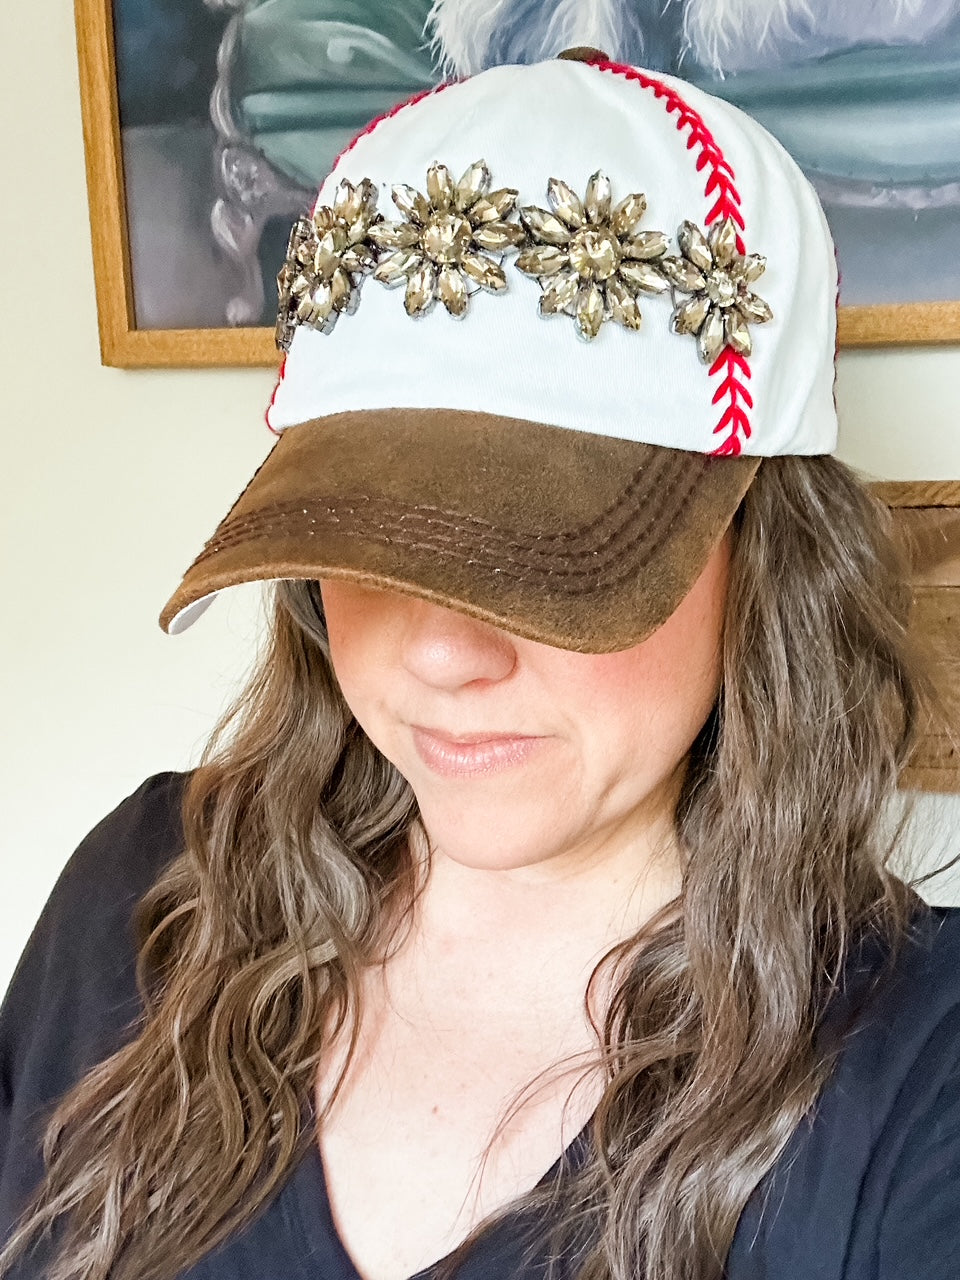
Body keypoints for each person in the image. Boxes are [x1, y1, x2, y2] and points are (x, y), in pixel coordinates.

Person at [1, 45, 958, 1280]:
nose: (446, 654)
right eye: (369, 539)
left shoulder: (918, 1075)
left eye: (550, 559)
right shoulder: (141, 899)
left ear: (762, 558)